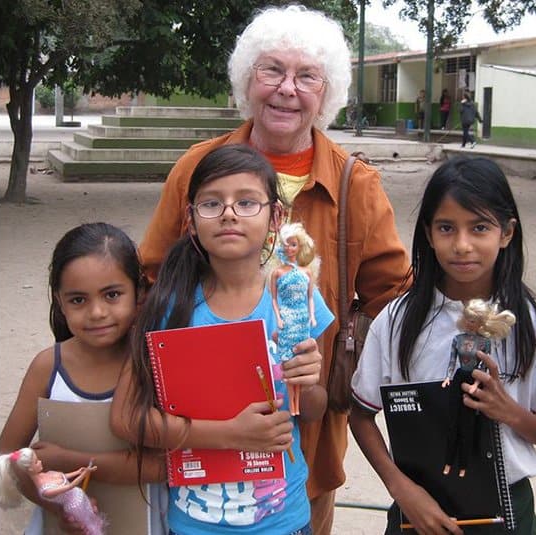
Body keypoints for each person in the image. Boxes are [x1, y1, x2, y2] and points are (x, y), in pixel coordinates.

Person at [136, 6, 410, 531]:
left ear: (325, 93)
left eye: (307, 76)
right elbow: (150, 278)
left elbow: (394, 297)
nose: (288, 89)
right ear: (247, 80)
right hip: (199, 441)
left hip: (307, 434)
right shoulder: (196, 169)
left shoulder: (358, 185)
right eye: (272, 71)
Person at [111, 144, 335, 534]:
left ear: (275, 217)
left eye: (247, 202)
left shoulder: (295, 294)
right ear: (191, 219)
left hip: (285, 520)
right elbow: (127, 418)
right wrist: (228, 434)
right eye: (212, 204)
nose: (229, 213)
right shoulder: (171, 305)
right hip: (196, 522)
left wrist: (307, 383)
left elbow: (313, 409)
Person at [349, 156, 536, 535]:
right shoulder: (397, 320)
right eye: (447, 228)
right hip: (416, 506)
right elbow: (361, 414)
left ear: (506, 232)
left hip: (505, 509)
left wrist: (508, 410)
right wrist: (402, 489)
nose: (462, 245)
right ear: (429, 234)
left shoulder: (533, 327)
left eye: (479, 227)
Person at [0, 222, 166, 535]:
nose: (97, 312)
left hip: (146, 523)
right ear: (59, 303)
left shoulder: (155, 363)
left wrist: (70, 459)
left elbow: (166, 466)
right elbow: (8, 456)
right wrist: (58, 505)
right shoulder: (48, 366)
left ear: (139, 292)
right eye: (78, 300)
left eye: (112, 294)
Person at [441, 299, 516, 478]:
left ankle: (463, 465)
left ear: (480, 322)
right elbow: (452, 360)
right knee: (452, 423)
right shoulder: (457, 339)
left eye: (473, 320)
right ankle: (448, 461)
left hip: (475, 377)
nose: (469, 323)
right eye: (467, 319)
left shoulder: (484, 343)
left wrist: (476, 384)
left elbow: (483, 365)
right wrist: (447, 377)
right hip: (459, 376)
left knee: (467, 425)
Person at [271, 222, 322, 416]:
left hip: (302, 321)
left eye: (293, 244)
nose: (229, 214)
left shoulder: (306, 273)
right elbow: (275, 300)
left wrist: (311, 317)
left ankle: (294, 407)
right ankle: (293, 405)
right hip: (286, 318)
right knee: (288, 366)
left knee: (296, 371)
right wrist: (279, 318)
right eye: (286, 244)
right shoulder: (277, 274)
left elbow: (318, 400)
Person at [0, 448, 105, 535]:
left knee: (94, 520)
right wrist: (84, 473)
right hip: (74, 505)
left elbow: (64, 476)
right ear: (30, 469)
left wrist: (78, 471)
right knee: (89, 528)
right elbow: (70, 486)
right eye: (36, 462)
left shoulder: (48, 474)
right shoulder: (45, 490)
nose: (40, 462)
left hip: (80, 496)